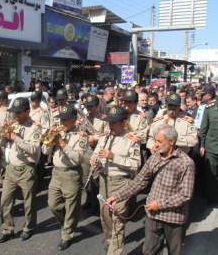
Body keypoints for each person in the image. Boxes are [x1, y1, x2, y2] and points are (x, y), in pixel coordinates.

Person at [105, 124, 195, 255]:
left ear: (171, 142)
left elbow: (185, 195)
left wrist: (159, 204)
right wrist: (117, 196)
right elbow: (139, 181)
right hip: (153, 215)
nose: (156, 145)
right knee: (149, 251)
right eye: (155, 141)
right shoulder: (155, 157)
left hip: (174, 218)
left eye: (159, 141)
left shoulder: (186, 163)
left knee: (174, 251)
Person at [91, 106, 141, 255]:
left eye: (114, 123)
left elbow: (135, 165)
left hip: (121, 182)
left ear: (123, 123)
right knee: (105, 215)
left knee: (117, 219)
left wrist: (113, 157)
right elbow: (96, 154)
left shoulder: (131, 140)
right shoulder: (105, 137)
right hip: (103, 180)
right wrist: (95, 160)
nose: (110, 125)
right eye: (109, 122)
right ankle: (110, 240)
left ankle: (115, 250)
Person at [42, 105, 88, 250]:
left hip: (71, 173)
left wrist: (62, 143)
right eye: (61, 119)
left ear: (74, 120)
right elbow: (44, 151)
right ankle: (68, 220)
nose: (62, 123)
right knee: (53, 204)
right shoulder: (57, 132)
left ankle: (67, 234)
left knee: (71, 205)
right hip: (56, 173)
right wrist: (51, 141)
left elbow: (78, 159)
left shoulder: (81, 135)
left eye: (65, 120)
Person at [0, 98, 42, 243]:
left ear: (27, 112)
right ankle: (7, 229)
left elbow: (33, 149)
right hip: (11, 168)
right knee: (5, 201)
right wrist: (3, 135)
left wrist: (16, 138)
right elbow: (0, 142)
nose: (15, 115)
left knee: (29, 202)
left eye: (19, 112)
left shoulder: (35, 127)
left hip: (26, 168)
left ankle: (29, 227)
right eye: (14, 112)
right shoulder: (14, 124)